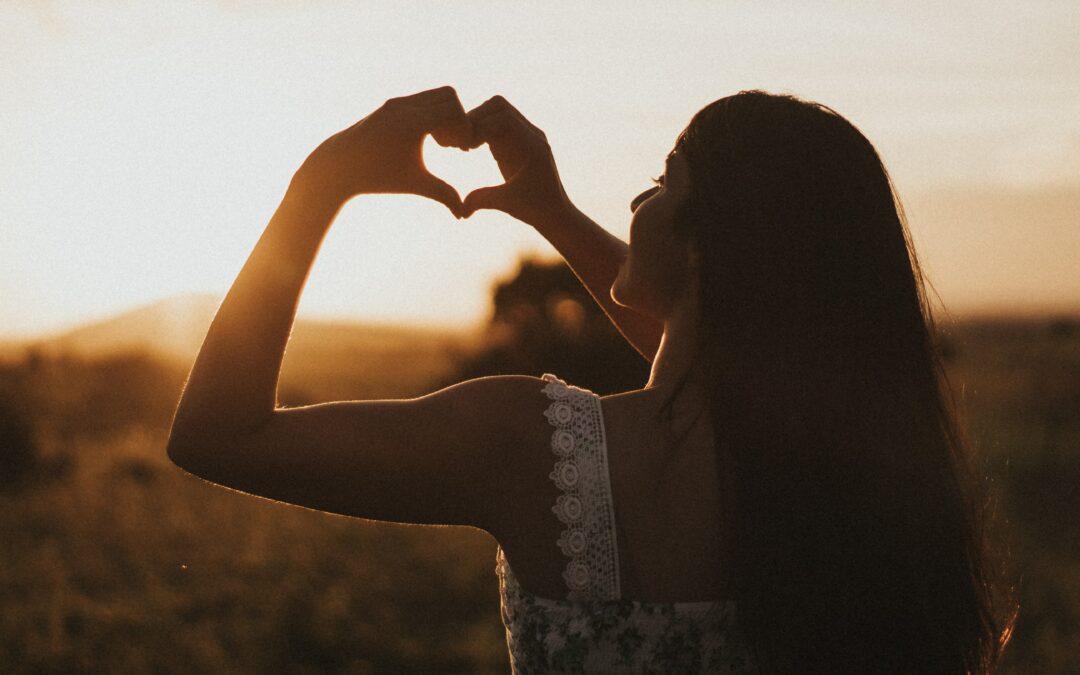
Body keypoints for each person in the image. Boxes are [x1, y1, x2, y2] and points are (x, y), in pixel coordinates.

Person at [166, 86, 1019, 673]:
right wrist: (550, 209)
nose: (637, 203)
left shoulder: (534, 451)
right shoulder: (855, 479)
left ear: (704, 245)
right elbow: (718, 345)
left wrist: (326, 177)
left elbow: (218, 432)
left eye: (659, 184)